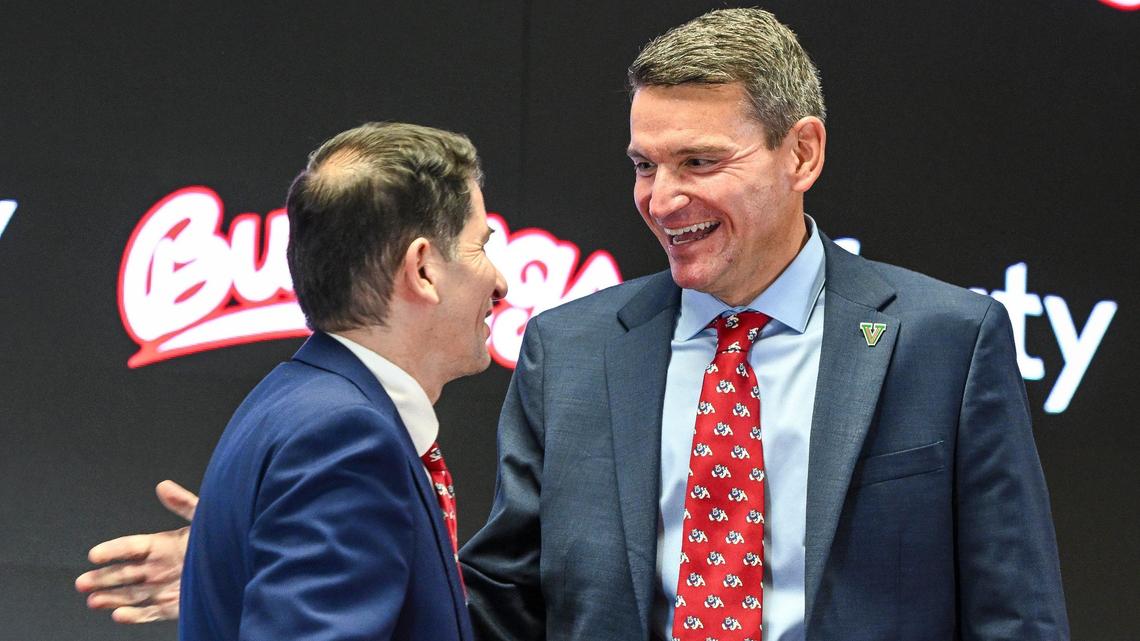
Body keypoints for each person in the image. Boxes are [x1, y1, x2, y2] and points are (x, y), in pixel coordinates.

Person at [77, 9, 1068, 641]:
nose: (661, 196)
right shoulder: (576, 348)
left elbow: (1016, 616)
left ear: (800, 152)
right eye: (644, 164)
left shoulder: (949, 340)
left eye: (699, 162)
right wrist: (259, 548)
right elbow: (503, 604)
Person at [115, 121, 504, 640]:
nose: (498, 280)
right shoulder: (345, 438)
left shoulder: (295, 402)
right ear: (423, 270)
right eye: (480, 246)